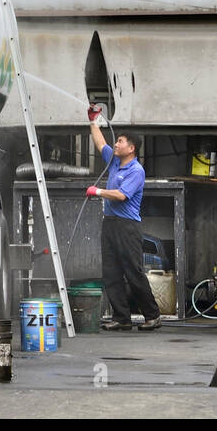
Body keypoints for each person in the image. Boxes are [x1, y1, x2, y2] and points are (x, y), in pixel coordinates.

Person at [86, 107, 161, 331]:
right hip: (110, 223)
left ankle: (152, 315)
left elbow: (121, 195)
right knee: (111, 272)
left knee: (133, 272)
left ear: (131, 147)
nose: (115, 144)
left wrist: (97, 192)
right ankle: (121, 318)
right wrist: (93, 121)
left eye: (119, 141)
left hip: (128, 227)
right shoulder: (114, 161)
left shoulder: (136, 171)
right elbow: (100, 143)